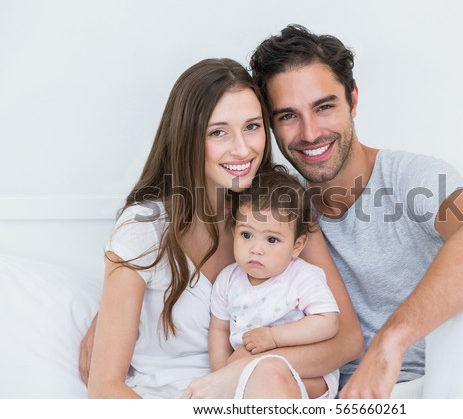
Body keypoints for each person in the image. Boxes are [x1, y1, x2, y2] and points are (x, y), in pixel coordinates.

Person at [248, 24, 463, 398]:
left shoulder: (411, 177)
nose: (310, 133)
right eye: (288, 116)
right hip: (325, 392)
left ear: (353, 100)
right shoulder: (281, 207)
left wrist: (390, 343)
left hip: (424, 386)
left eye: (324, 107)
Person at [83, 58, 363, 398]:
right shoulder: (143, 231)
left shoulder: (281, 206)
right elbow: (104, 386)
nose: (243, 148)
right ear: (187, 137)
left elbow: (347, 340)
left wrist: (239, 372)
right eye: (218, 132)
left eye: (252, 126)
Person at [210, 169, 341, 399]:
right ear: (234, 231)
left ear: (296, 246)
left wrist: (274, 337)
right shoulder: (228, 279)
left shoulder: (301, 277)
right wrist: (222, 375)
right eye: (246, 235)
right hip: (249, 371)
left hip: (309, 375)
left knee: (270, 380)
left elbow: (328, 322)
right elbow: (219, 329)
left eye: (272, 240)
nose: (256, 249)